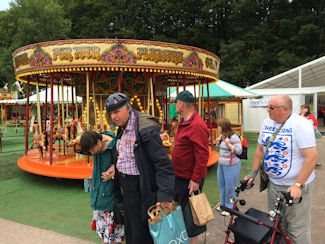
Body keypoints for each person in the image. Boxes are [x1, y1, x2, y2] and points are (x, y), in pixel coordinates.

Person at [244, 95, 318, 244]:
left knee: (297, 230)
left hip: (296, 188)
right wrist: (253, 172)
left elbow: (312, 157)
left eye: (271, 107)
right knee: (277, 227)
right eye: (268, 106)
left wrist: (298, 185)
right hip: (274, 185)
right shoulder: (267, 123)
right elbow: (260, 149)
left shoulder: (301, 125)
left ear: (285, 109)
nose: (267, 110)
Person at [105, 93, 175, 244]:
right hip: (128, 188)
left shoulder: (145, 131)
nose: (114, 116)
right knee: (131, 230)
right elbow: (126, 154)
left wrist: (165, 195)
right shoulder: (123, 127)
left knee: (142, 234)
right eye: (111, 113)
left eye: (116, 111)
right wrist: (115, 167)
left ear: (128, 108)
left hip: (142, 189)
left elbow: (163, 164)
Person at [171, 90, 209, 244]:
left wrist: (195, 179)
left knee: (191, 217)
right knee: (180, 213)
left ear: (181, 104)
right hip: (179, 177)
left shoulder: (197, 125)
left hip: (189, 179)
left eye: (175, 102)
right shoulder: (184, 121)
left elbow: (202, 156)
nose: (174, 105)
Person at [80, 130, 124, 244]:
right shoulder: (96, 141)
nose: (92, 153)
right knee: (104, 234)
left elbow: (128, 161)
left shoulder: (116, 145)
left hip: (111, 197)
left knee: (114, 236)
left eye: (92, 149)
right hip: (99, 196)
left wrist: (116, 168)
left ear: (99, 142)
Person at [215, 118, 242, 216]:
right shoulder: (222, 136)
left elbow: (239, 151)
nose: (218, 128)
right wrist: (218, 143)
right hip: (222, 165)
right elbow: (221, 149)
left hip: (232, 166)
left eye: (219, 126)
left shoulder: (233, 137)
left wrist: (229, 144)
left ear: (224, 127)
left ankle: (230, 207)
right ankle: (223, 204)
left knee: (230, 186)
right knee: (222, 185)